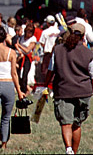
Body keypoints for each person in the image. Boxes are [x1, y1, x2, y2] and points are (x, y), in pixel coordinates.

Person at [45, 22, 93, 155]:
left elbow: (51, 70)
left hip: (63, 91)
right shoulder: (88, 53)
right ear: (83, 36)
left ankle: (68, 149)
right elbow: (92, 75)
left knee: (66, 123)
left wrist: (46, 85)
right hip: (83, 92)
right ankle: (74, 152)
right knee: (77, 123)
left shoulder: (58, 50)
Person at [16, 22, 36, 95]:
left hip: (27, 58)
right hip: (20, 56)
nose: (28, 34)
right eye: (27, 32)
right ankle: (20, 88)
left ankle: (24, 90)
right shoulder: (22, 37)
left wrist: (19, 46)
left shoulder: (33, 39)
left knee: (25, 75)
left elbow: (27, 50)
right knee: (17, 73)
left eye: (30, 32)